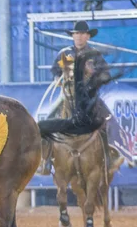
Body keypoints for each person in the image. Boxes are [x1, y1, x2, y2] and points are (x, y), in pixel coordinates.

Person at [37, 21, 131, 175]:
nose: (79, 37)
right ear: (73, 36)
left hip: (89, 99)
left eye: (81, 34)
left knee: (109, 121)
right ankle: (45, 161)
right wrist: (59, 78)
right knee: (46, 121)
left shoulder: (95, 55)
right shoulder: (65, 54)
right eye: (76, 34)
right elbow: (55, 72)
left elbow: (105, 75)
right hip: (67, 96)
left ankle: (111, 157)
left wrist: (94, 76)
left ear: (87, 36)